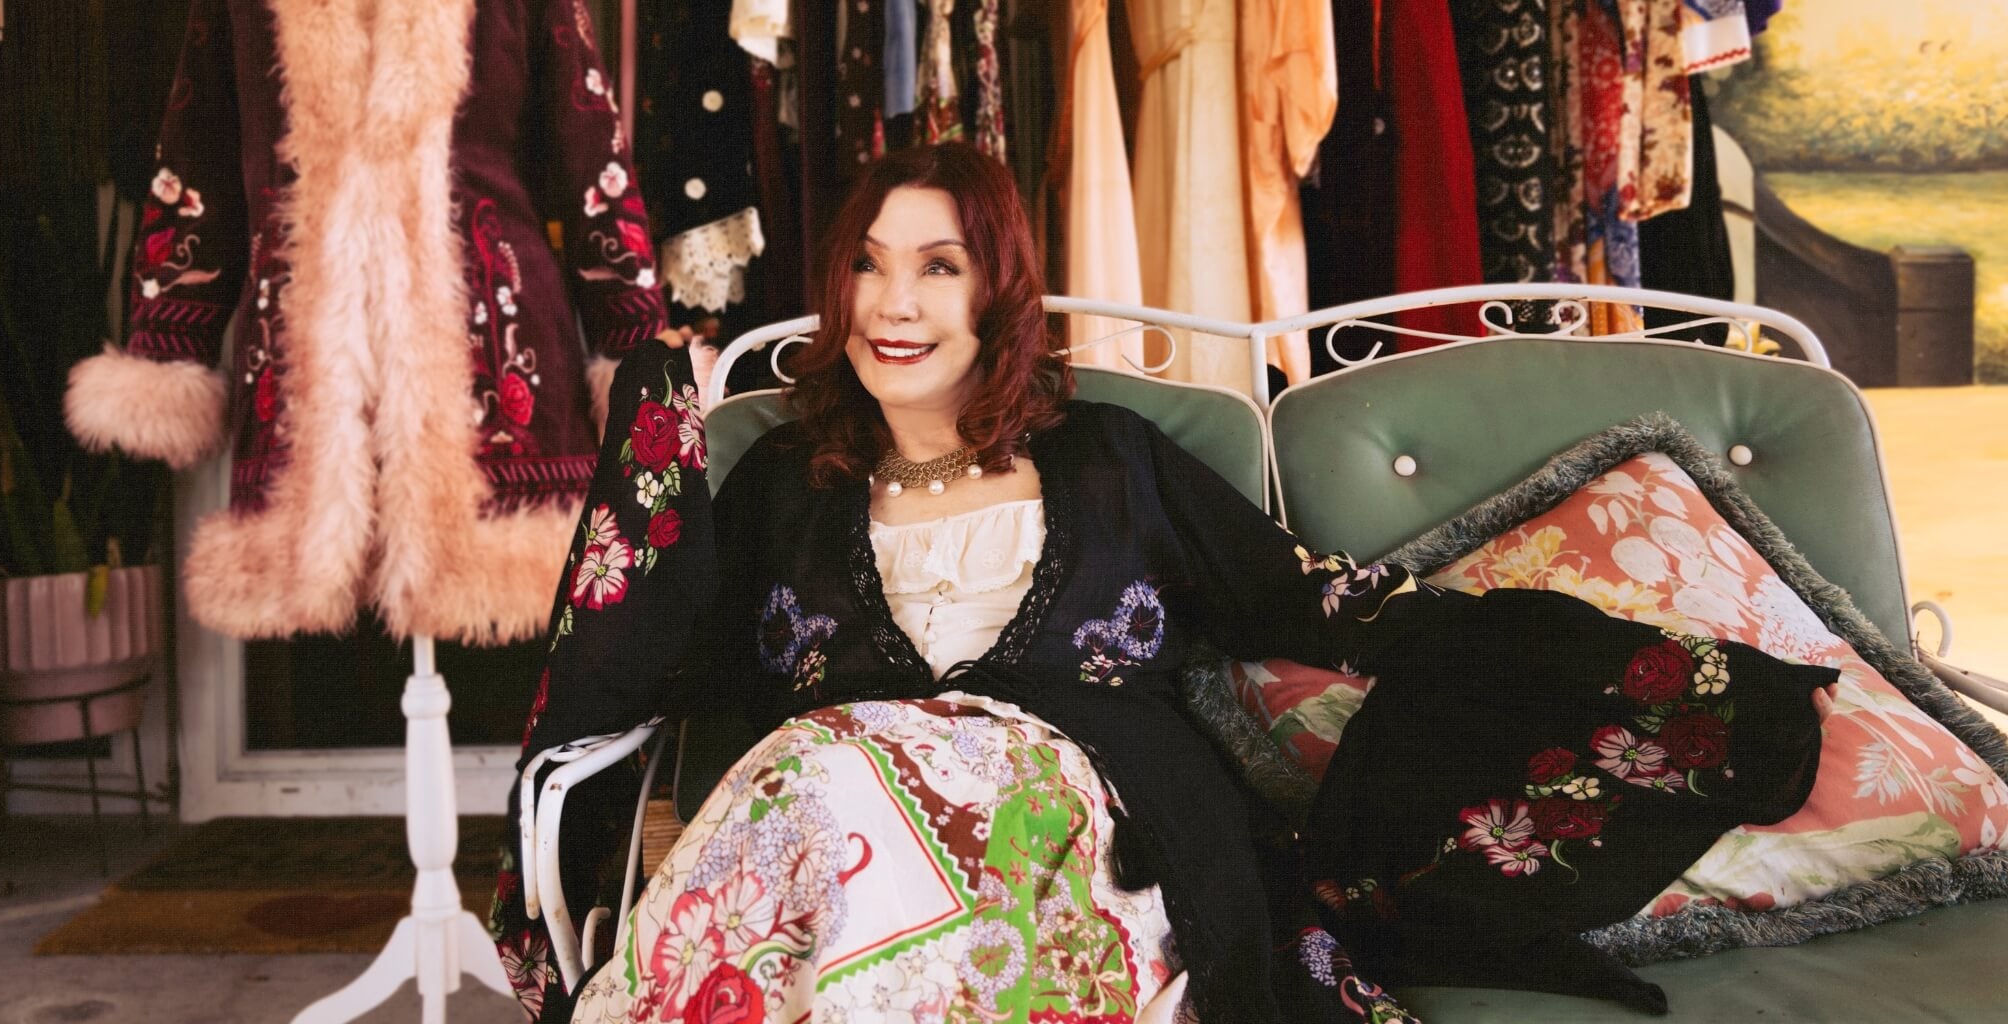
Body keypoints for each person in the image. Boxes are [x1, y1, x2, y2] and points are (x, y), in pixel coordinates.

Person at [489, 142, 1834, 1023]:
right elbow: (655, 663)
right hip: (861, 876)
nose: (894, 302)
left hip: (1088, 850)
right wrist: (655, 430)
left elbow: (1314, 605)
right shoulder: (784, 485)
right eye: (866, 264)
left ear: (995, 290)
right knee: (819, 786)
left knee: (833, 768)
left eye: (936, 266)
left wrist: (1615, 667)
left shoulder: (1110, 466)